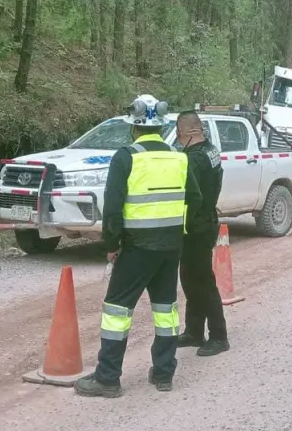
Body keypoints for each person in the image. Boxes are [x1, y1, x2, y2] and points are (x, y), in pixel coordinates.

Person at [75, 94, 202, 398]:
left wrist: (112, 244)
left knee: (117, 311)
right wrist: (177, 230)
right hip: (171, 248)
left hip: (136, 249)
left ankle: (107, 378)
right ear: (161, 127)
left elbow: (113, 209)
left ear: (133, 127)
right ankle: (163, 373)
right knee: (165, 311)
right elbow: (195, 200)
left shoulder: (126, 157)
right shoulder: (179, 158)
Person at [174, 111, 230, 357]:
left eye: (177, 135)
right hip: (206, 221)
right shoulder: (211, 150)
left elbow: (190, 197)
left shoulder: (193, 160)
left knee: (202, 281)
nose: (177, 139)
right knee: (189, 278)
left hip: (196, 225)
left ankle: (219, 336)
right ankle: (194, 331)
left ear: (185, 133)